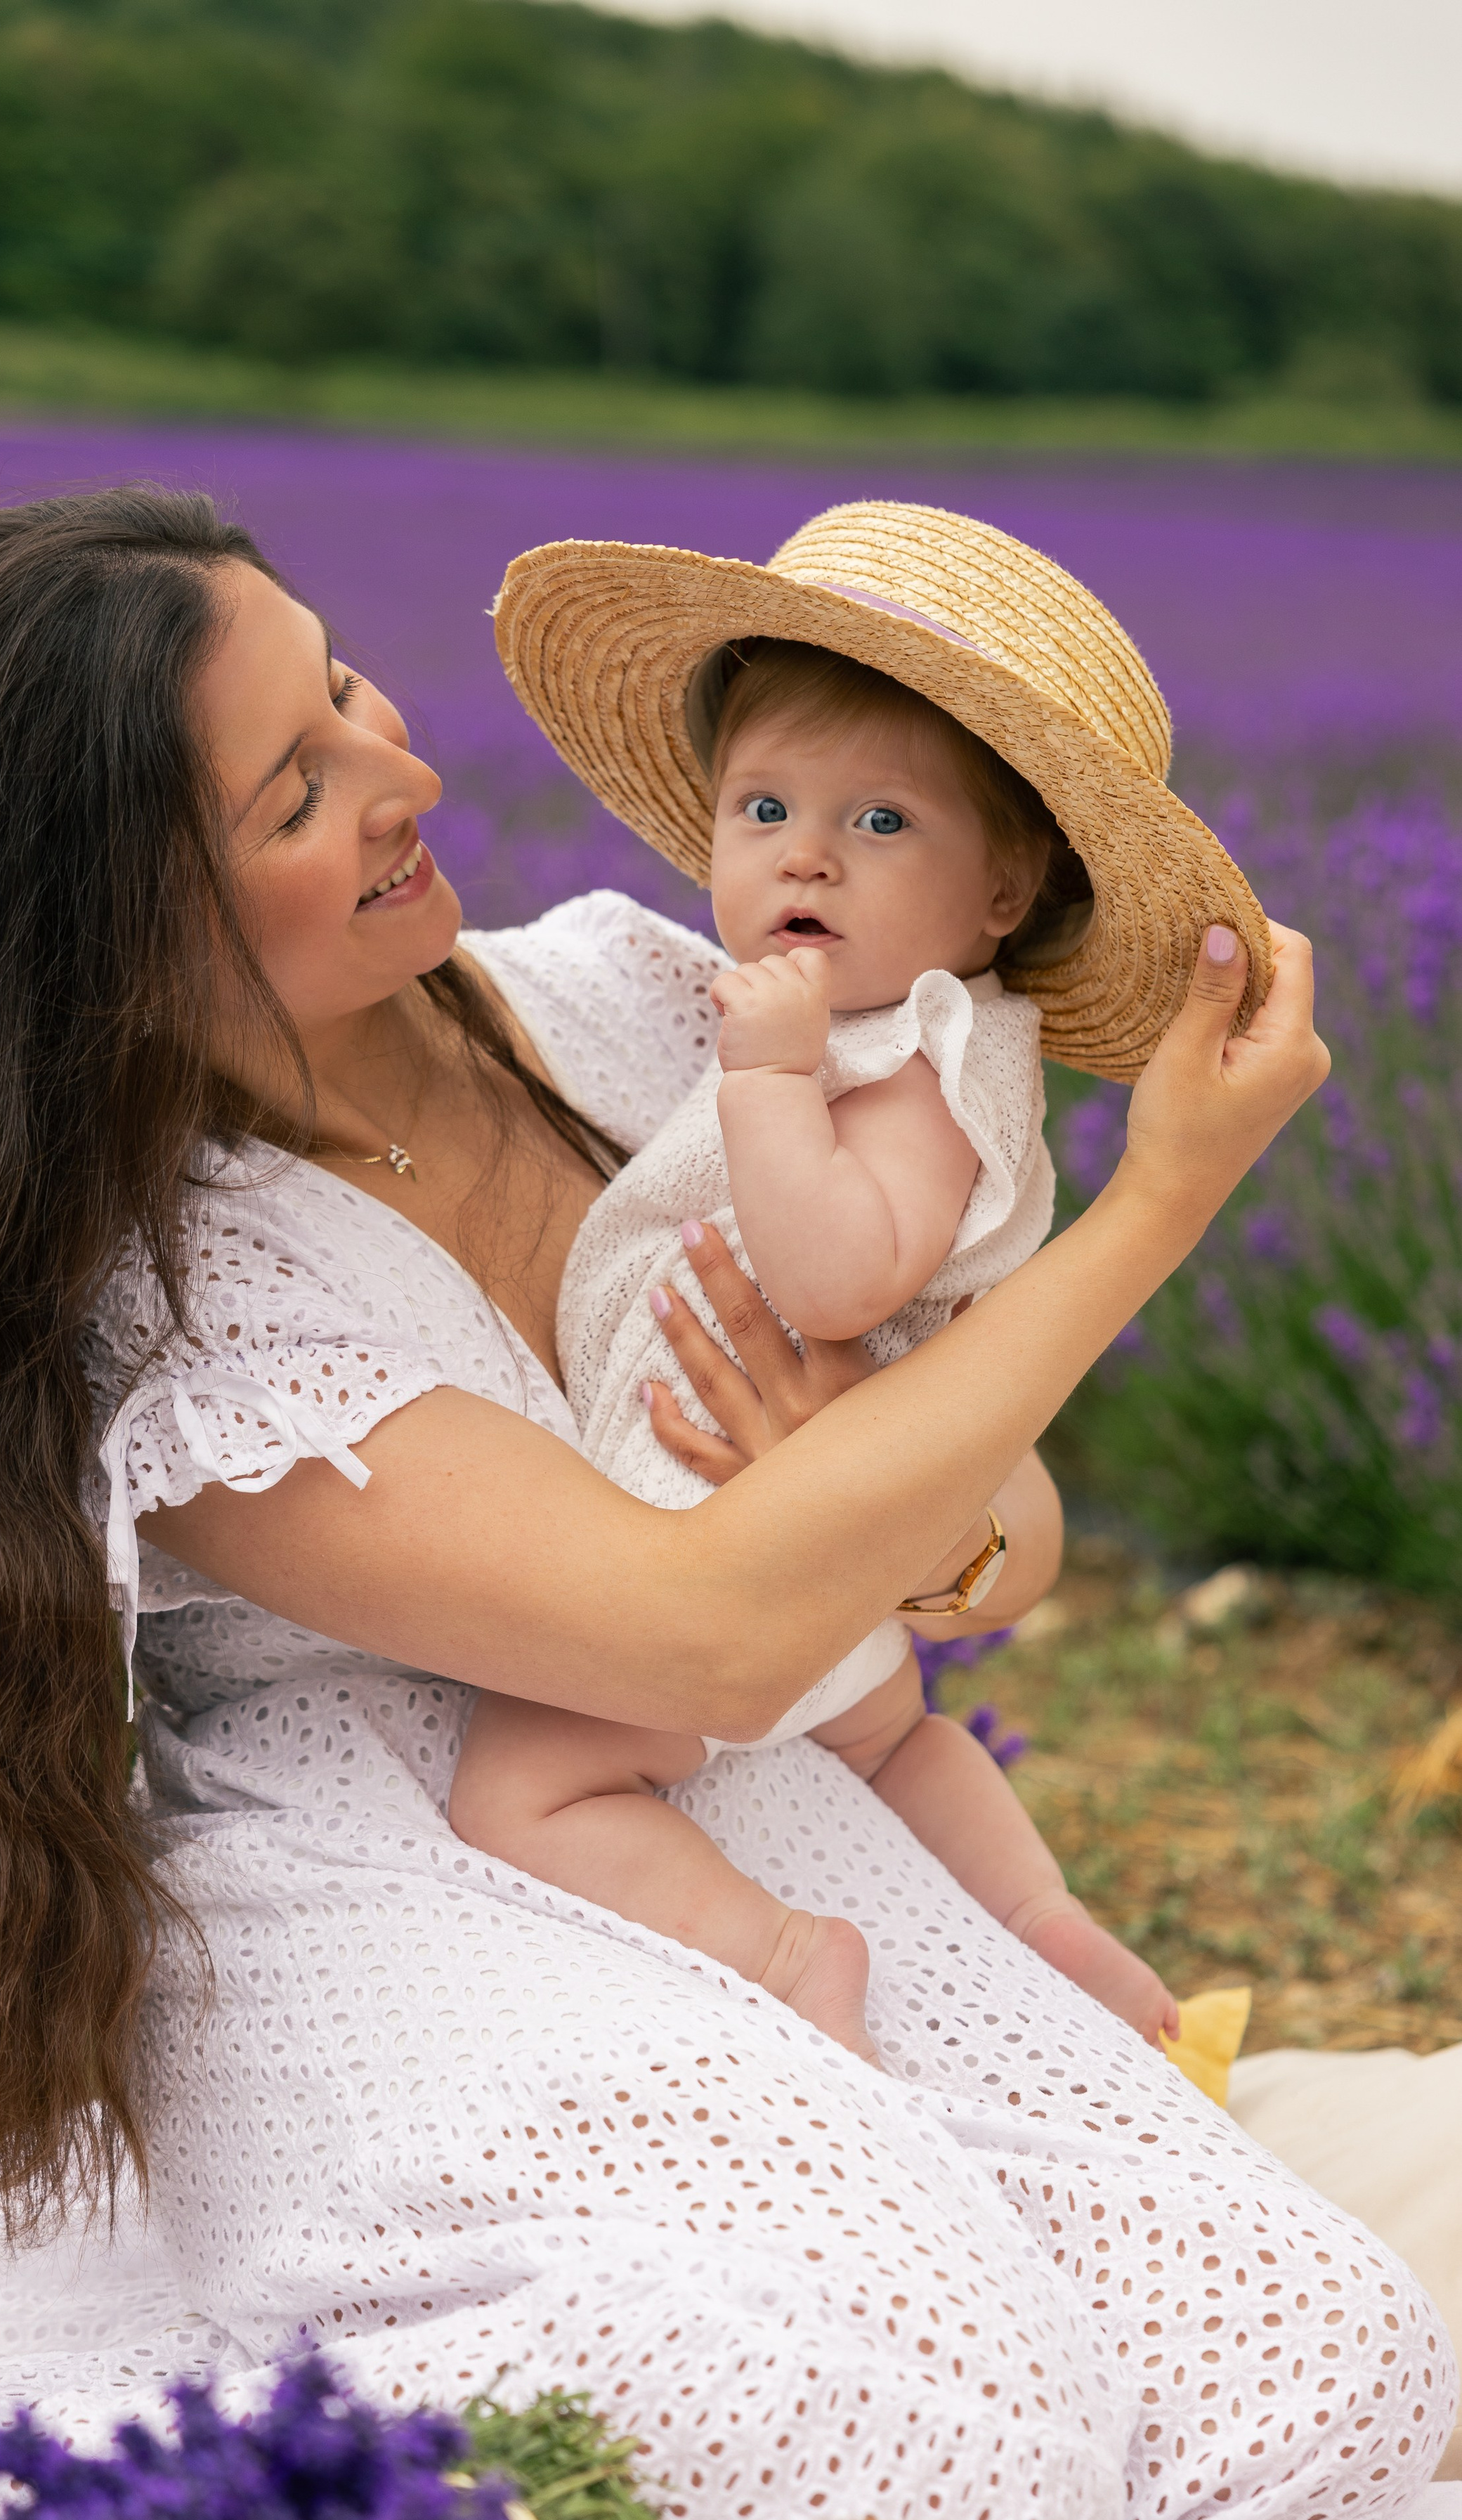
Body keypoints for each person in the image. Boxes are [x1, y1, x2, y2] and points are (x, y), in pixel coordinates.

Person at [0, 487, 1449, 2520]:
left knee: (1328, 2385)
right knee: (952, 2425)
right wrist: (1157, 1204)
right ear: (114, 929)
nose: (404, 775)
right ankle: (16, 2515)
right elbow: (694, 1624)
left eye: (340, 684)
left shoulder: (634, 1001)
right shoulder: (172, 1287)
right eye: (298, 787)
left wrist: (920, 1512)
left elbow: (995, 1535)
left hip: (720, 1797)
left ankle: (635, 2360)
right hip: (379, 1874)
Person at [455, 531, 1206, 2054]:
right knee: (896, 1743)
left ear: (1002, 894)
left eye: (879, 820)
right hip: (815, 1531)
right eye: (764, 808)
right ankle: (1053, 1935)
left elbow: (843, 1274)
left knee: (526, 1786)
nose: (805, 854)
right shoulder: (871, 1030)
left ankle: (779, 1952)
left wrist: (768, 1077)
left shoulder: (925, 1063)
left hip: (721, 1512)